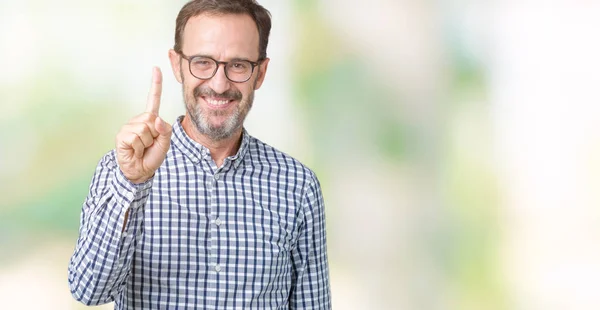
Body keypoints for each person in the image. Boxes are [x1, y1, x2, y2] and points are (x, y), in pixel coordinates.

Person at [67, 0, 331, 308]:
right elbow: (88, 292)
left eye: (238, 65)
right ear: (177, 64)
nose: (219, 84)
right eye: (202, 62)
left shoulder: (298, 186)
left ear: (260, 73)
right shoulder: (121, 170)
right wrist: (133, 184)